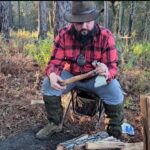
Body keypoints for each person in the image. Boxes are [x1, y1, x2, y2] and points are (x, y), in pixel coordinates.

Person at [36, 1, 124, 140]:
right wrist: (52, 74)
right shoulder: (64, 34)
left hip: (95, 78)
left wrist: (106, 72)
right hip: (71, 75)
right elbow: (54, 62)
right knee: (48, 85)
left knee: (115, 92)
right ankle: (55, 123)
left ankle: (113, 133)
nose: (84, 26)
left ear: (94, 19)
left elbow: (112, 67)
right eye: (79, 22)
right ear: (73, 20)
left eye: (87, 21)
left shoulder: (105, 36)